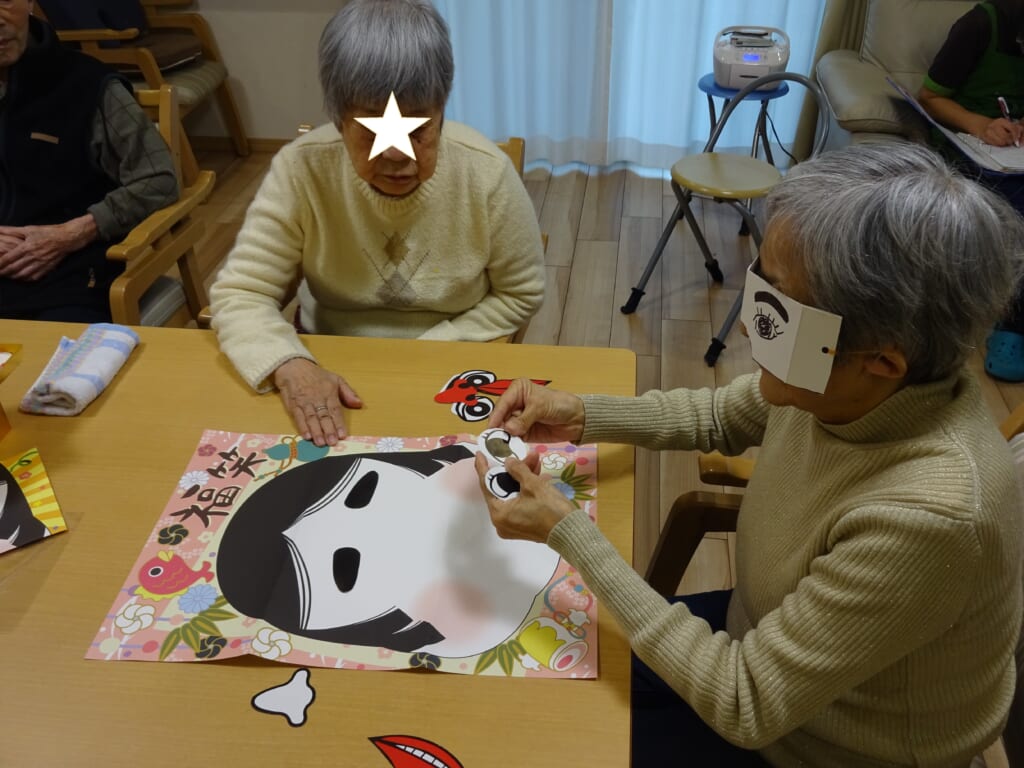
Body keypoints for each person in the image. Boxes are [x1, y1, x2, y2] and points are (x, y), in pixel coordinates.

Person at [474, 143, 1024, 767]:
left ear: (882, 360)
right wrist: (583, 415)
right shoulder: (842, 385)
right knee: (529, 681)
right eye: (759, 285)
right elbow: (717, 416)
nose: (744, 325)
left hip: (814, 746)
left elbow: (745, 702)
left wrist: (569, 531)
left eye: (776, 310)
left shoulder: (933, 517)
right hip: (757, 641)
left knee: (546, 743)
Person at [209, 0, 545, 447]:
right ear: (337, 121)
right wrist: (290, 363)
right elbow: (241, 293)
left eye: (418, 131)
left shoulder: (486, 173)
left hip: (453, 363)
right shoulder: (302, 169)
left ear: (442, 110)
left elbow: (521, 292)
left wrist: (436, 347)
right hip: (326, 359)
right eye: (370, 132)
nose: (395, 156)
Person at [0, 1, 178, 323]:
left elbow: (158, 179)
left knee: (55, 352)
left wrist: (72, 234)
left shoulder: (87, 83)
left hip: (68, 271)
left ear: (28, 3)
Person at [918, 0, 1024, 381]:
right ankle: (1013, 327)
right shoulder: (978, 25)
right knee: (1017, 209)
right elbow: (928, 97)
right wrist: (980, 124)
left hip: (1013, 149)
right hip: (966, 146)